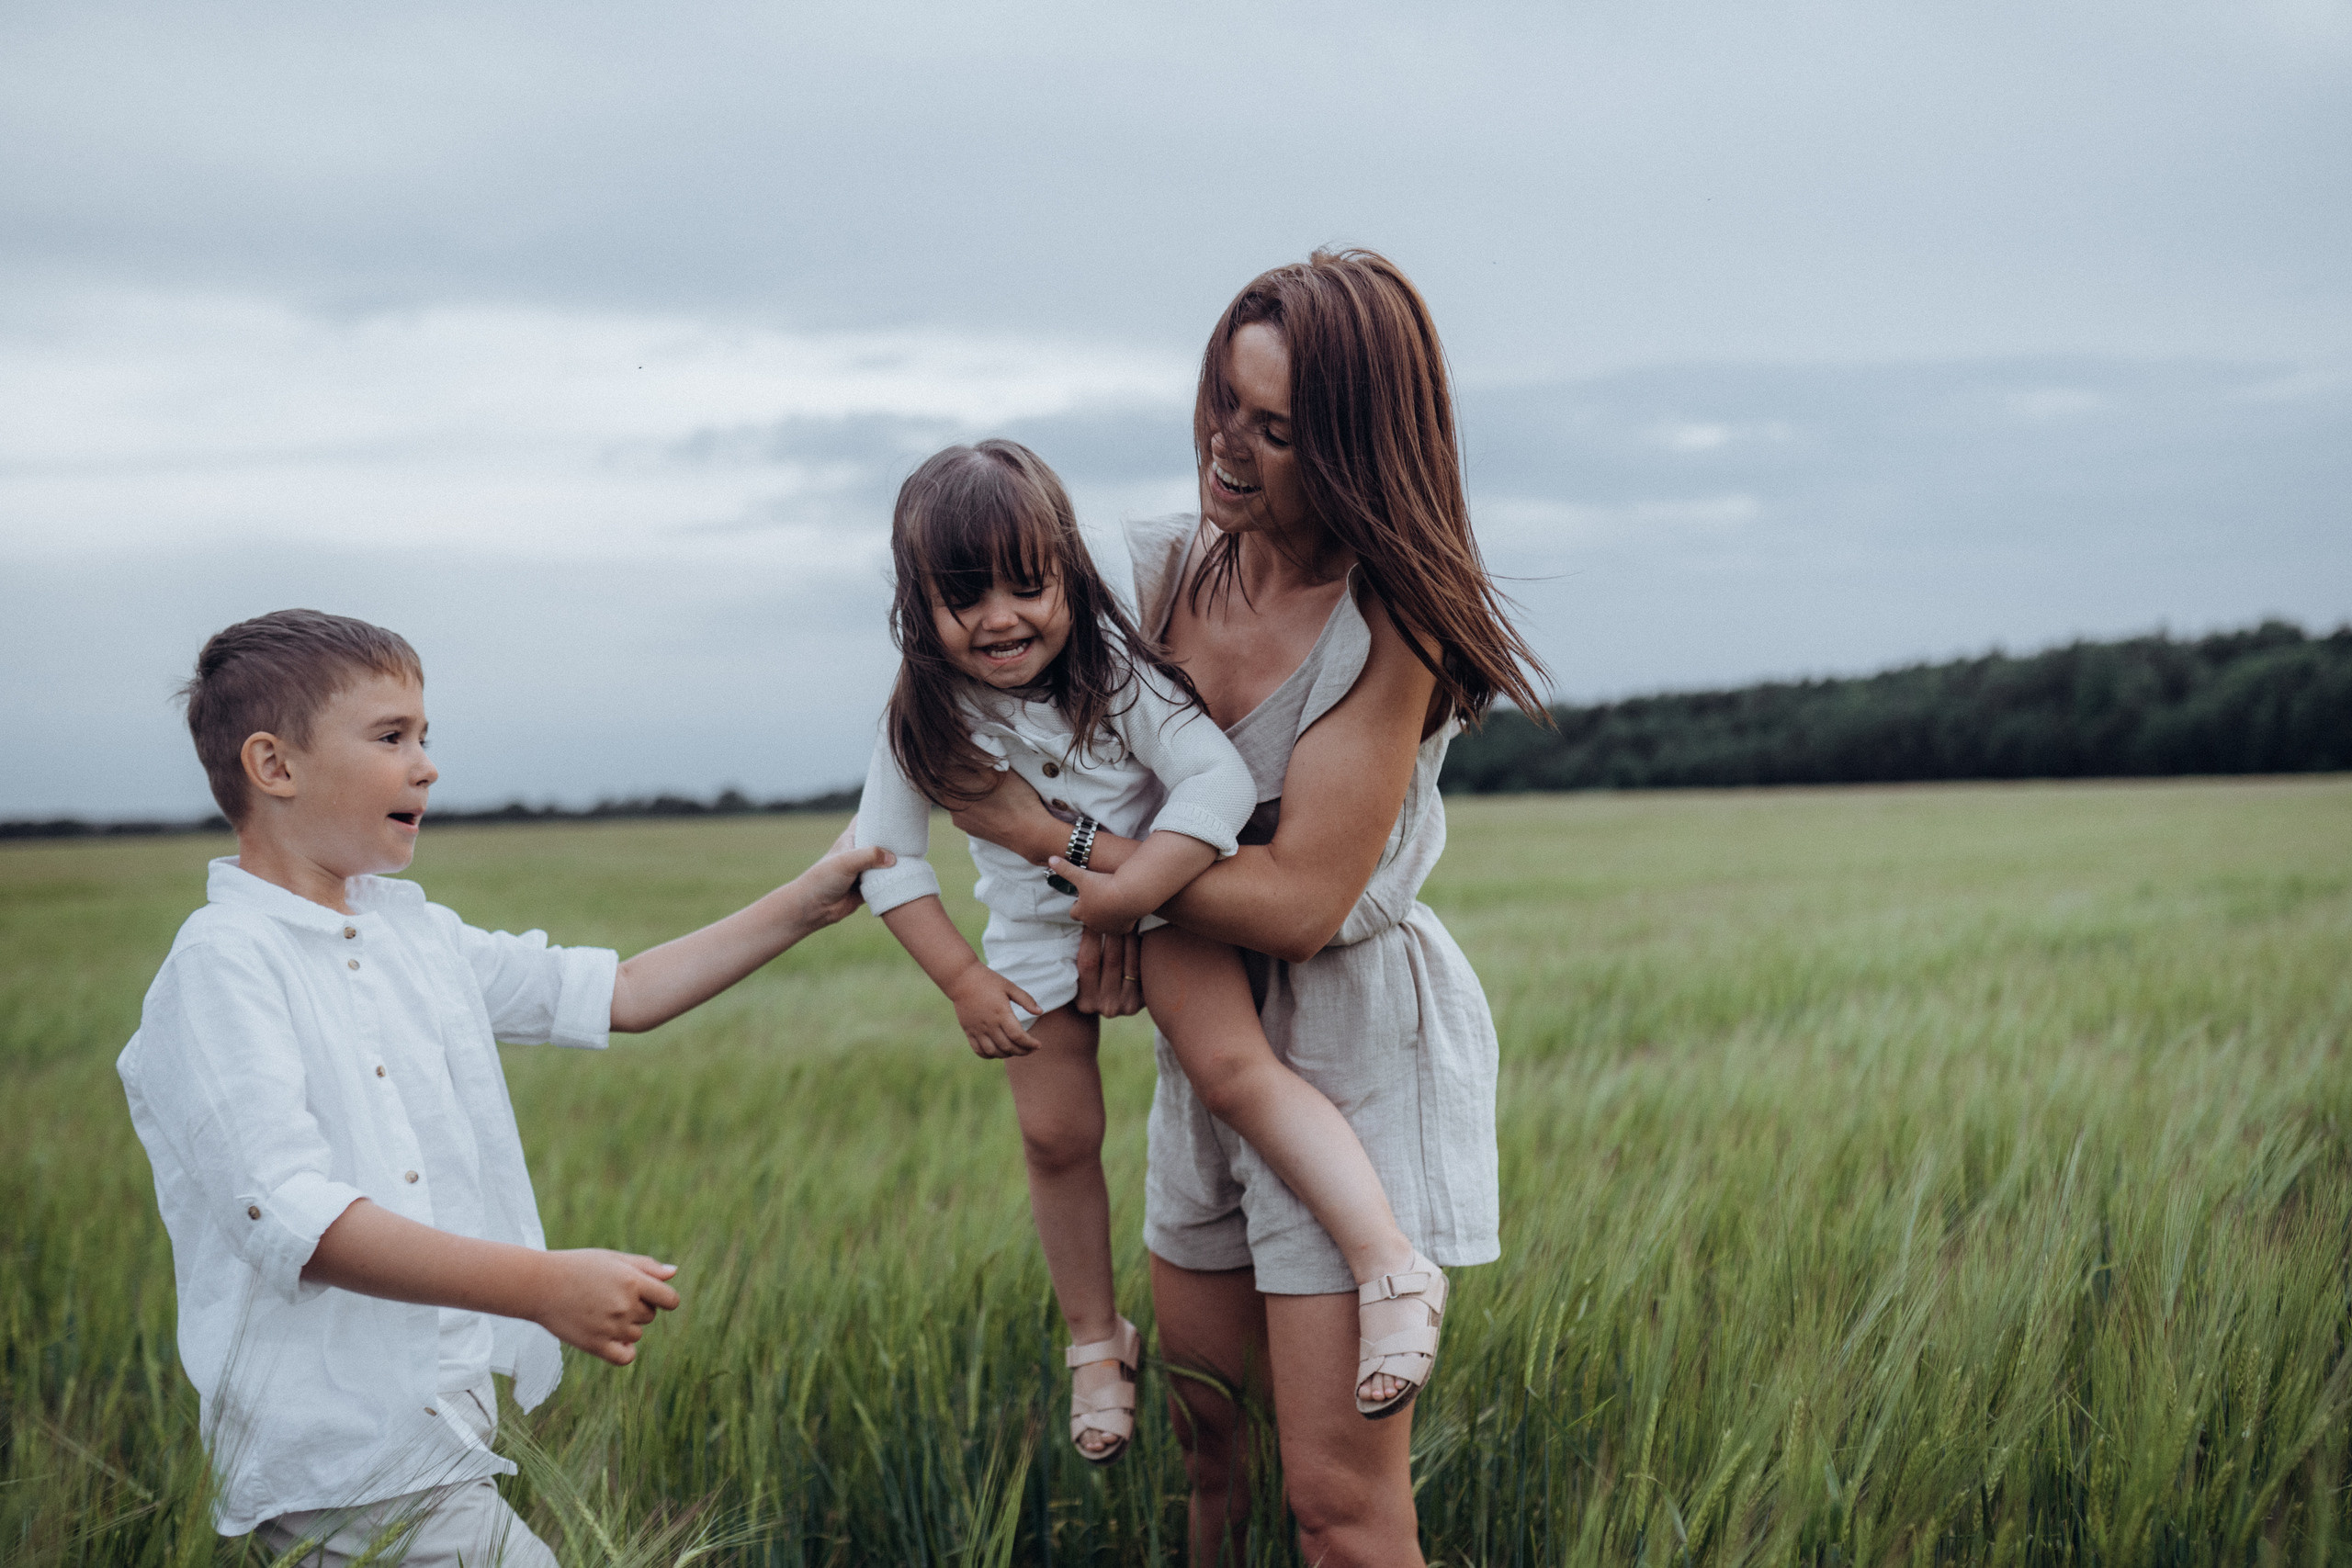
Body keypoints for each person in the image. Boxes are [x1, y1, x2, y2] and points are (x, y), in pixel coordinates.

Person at [945, 250, 1547, 1566]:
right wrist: (1108, 903)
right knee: (1212, 1450)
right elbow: (1004, 703)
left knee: (1338, 1508)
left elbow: (1297, 900)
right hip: (1201, 1040)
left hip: (1347, 1045)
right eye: (1225, 398)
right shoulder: (1159, 571)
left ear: (1355, 448)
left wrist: (1080, 857)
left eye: (1275, 428)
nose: (1227, 443)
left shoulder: (1391, 623)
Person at [116, 609, 891, 1567]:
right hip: (337, 1462)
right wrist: (541, 1285)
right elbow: (295, 1218)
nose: (427, 766)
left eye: (424, 735)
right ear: (274, 766)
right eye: (392, 737)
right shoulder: (223, 964)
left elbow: (622, 991)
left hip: (435, 1441)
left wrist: (807, 902)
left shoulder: (414, 934)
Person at [853, 438, 1442, 1468]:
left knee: (1233, 1072)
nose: (999, 618)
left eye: (1026, 586)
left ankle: (1390, 1264)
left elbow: (1215, 783)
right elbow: (885, 859)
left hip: (1165, 901)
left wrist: (1133, 893)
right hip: (1031, 937)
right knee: (1054, 1135)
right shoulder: (924, 714)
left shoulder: (1113, 668)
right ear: (917, 608)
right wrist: (962, 979)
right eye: (963, 598)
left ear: (1067, 575)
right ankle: (1096, 1338)